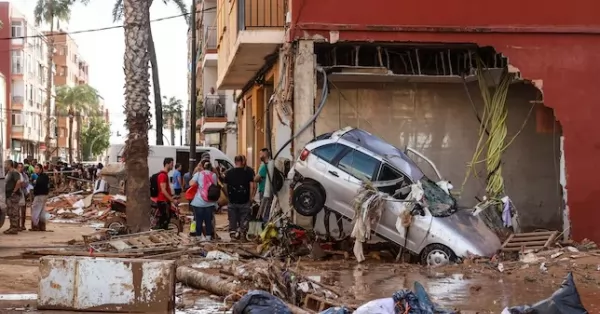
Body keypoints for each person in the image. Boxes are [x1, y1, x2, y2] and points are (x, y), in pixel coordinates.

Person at [223, 155, 255, 240]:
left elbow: (224, 186)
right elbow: (252, 186)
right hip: (244, 200)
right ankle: (242, 233)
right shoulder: (248, 172)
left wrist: (228, 196)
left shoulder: (228, 173)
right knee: (244, 216)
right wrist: (251, 197)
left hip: (232, 200)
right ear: (242, 162)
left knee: (232, 218)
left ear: (235, 161)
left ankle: (233, 234)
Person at [189, 161, 218, 241]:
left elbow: (191, 183)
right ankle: (208, 237)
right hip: (210, 202)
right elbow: (214, 185)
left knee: (199, 220)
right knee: (208, 220)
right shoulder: (214, 175)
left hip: (198, 202)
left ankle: (198, 237)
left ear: (203, 167)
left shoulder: (198, 174)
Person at [155, 158, 176, 230]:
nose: (172, 166)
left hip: (165, 200)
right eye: (171, 164)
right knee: (164, 220)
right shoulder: (163, 175)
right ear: (167, 164)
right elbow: (163, 190)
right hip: (163, 201)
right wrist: (172, 200)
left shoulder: (165, 175)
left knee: (166, 219)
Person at [4, 160, 22, 234]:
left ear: (9, 165)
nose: (4, 165)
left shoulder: (14, 172)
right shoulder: (8, 173)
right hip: (9, 195)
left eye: (5, 164)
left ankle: (14, 228)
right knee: (10, 212)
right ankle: (12, 227)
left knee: (14, 211)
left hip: (13, 195)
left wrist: (14, 191)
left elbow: (18, 182)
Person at [31, 164, 50, 231]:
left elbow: (38, 186)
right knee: (42, 211)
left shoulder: (40, 178)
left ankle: (35, 226)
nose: (35, 169)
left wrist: (34, 183)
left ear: (41, 169)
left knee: (36, 211)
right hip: (44, 195)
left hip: (39, 195)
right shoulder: (44, 176)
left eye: (37, 168)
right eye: (35, 168)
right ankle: (42, 226)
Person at [16, 163, 29, 231]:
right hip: (17, 194)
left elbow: (25, 184)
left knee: (23, 210)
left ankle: (23, 225)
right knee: (17, 210)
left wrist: (21, 184)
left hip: (24, 193)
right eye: (19, 167)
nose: (20, 168)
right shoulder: (15, 175)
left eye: (21, 167)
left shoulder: (25, 175)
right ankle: (17, 225)